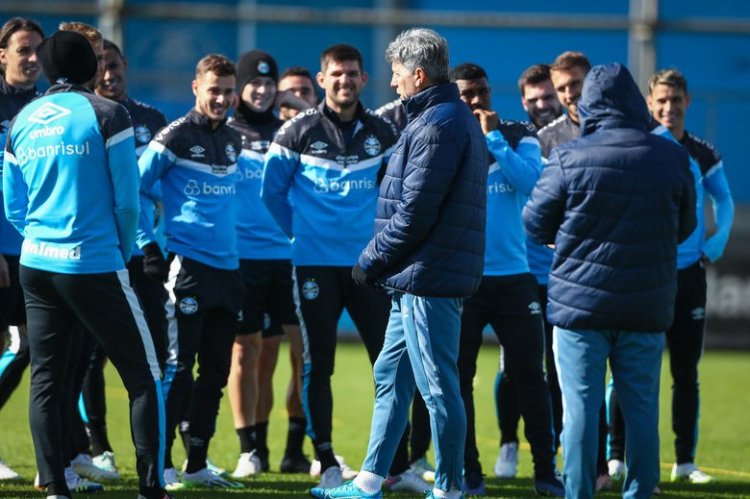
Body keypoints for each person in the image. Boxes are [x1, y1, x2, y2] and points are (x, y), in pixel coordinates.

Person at [310, 27, 488, 499]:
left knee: (437, 388)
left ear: (419, 74)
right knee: (390, 375)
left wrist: (370, 259)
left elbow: (416, 212)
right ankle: (370, 479)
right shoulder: (443, 117)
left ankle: (448, 488)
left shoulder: (437, 124)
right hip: (415, 277)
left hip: (427, 278)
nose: (391, 84)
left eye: (396, 74)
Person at [2, 29, 168, 499]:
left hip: (35, 262)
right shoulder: (107, 113)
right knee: (144, 375)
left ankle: (54, 487)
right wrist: (122, 248)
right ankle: (153, 488)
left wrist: (38, 235)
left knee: (46, 381)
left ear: (50, 69)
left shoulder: (24, 119)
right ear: (92, 69)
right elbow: (128, 200)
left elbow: (13, 205)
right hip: (93, 260)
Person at [523, 63, 697, 499]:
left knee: (579, 410)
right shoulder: (673, 156)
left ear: (590, 104)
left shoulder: (570, 155)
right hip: (645, 304)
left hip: (579, 307)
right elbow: (685, 226)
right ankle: (639, 491)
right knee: (640, 409)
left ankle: (579, 491)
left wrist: (564, 241)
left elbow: (534, 222)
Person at [262, 43, 427, 493]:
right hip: (314, 265)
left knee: (390, 364)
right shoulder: (295, 131)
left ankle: (396, 466)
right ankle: (327, 461)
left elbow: (403, 192)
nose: (344, 81)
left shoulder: (384, 131)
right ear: (322, 79)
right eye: (336, 74)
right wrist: (299, 235)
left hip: (370, 268)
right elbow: (271, 194)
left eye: (352, 73)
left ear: (364, 79)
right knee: (319, 364)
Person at [606, 68, 734, 486]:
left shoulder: (701, 152)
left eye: (675, 99)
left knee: (686, 372)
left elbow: (725, 199)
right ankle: (615, 456)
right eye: (660, 100)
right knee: (626, 368)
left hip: (687, 277)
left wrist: (712, 247)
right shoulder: (641, 145)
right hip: (644, 275)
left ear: (687, 102)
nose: (668, 107)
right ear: (648, 103)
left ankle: (685, 461)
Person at [450, 62, 564, 497]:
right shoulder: (447, 139)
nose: (474, 99)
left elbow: (534, 185)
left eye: (480, 90)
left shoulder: (517, 135)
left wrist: (494, 139)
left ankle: (544, 472)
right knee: (459, 379)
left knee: (531, 377)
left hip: (516, 278)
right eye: (465, 93)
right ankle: (470, 470)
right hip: (465, 281)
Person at [136, 53, 244, 490]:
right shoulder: (174, 136)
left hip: (230, 270)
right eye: (213, 89)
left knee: (216, 373)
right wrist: (148, 244)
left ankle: (196, 462)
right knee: (179, 368)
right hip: (188, 268)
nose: (221, 98)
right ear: (195, 88)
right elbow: (137, 187)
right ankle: (160, 464)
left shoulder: (234, 139)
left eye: (227, 90)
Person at [70, 37, 169, 482]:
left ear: (125, 65)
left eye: (114, 64)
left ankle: (158, 458)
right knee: (90, 356)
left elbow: (156, 192)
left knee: (155, 355)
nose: (108, 72)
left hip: (142, 254)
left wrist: (152, 242)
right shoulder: (83, 118)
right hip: (96, 254)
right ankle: (99, 447)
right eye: (100, 66)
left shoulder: (151, 118)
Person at [493, 62, 565, 481]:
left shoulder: (571, 141)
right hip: (519, 272)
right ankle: (508, 443)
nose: (541, 104)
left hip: (562, 274)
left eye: (547, 96)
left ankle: (552, 451)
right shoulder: (516, 139)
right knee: (514, 367)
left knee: (556, 369)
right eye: (533, 99)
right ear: (522, 101)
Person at [0, 16, 44, 483]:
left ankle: (56, 460)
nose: (33, 60)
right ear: (3, 55)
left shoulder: (47, 107)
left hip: (38, 249)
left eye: (38, 52)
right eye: (23, 50)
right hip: (0, 249)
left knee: (39, 348)